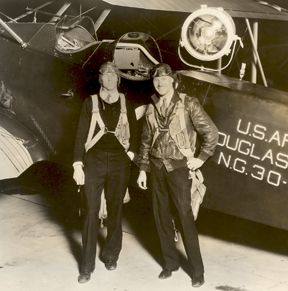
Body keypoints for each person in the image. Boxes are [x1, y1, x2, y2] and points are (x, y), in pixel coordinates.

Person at [137, 63, 218, 288]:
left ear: (173, 80)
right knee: (160, 217)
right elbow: (144, 141)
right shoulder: (152, 107)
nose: (160, 83)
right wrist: (143, 169)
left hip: (180, 168)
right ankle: (170, 264)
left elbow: (211, 132)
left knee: (185, 218)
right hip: (156, 168)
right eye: (156, 80)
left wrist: (200, 158)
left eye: (164, 79)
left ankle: (197, 271)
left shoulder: (188, 103)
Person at [72, 62, 138, 283]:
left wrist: (130, 156)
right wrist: (77, 165)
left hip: (120, 163)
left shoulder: (125, 102)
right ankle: (86, 266)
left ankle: (111, 255)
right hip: (94, 161)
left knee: (116, 211)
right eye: (105, 74)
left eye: (113, 74)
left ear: (118, 79)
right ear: (100, 78)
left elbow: (135, 133)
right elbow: (81, 135)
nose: (109, 77)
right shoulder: (89, 102)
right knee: (90, 211)